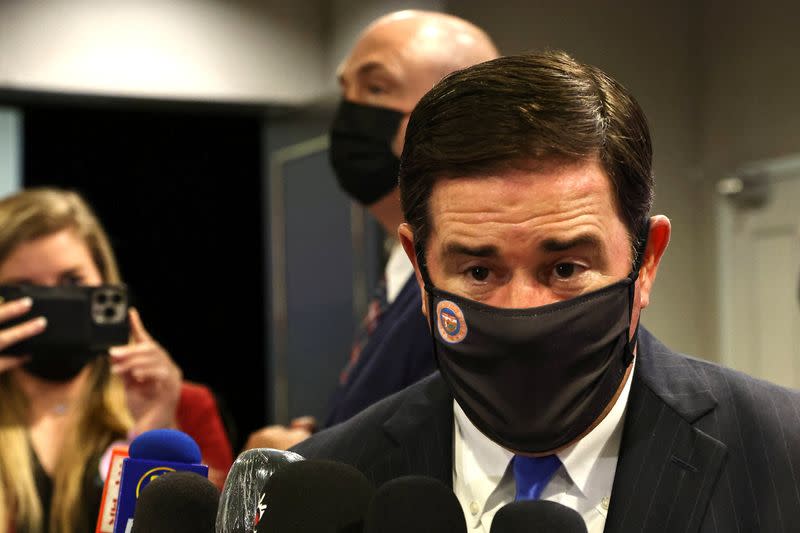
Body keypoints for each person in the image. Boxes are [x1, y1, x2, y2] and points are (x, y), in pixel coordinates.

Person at [292, 52, 800, 532]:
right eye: (479, 272)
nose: (523, 313)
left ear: (646, 260)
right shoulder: (330, 485)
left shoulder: (785, 455)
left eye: (564, 268)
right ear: (420, 272)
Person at [244, 9, 499, 451]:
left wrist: (298, 466)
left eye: (376, 87)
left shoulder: (476, 287)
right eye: (346, 90)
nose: (349, 112)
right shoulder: (403, 268)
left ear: (462, 118)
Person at [0, 188, 230, 533]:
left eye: (72, 282)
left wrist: (158, 432)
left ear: (104, 283)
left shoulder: (188, 406)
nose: (54, 305)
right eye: (26, 289)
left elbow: (218, 523)